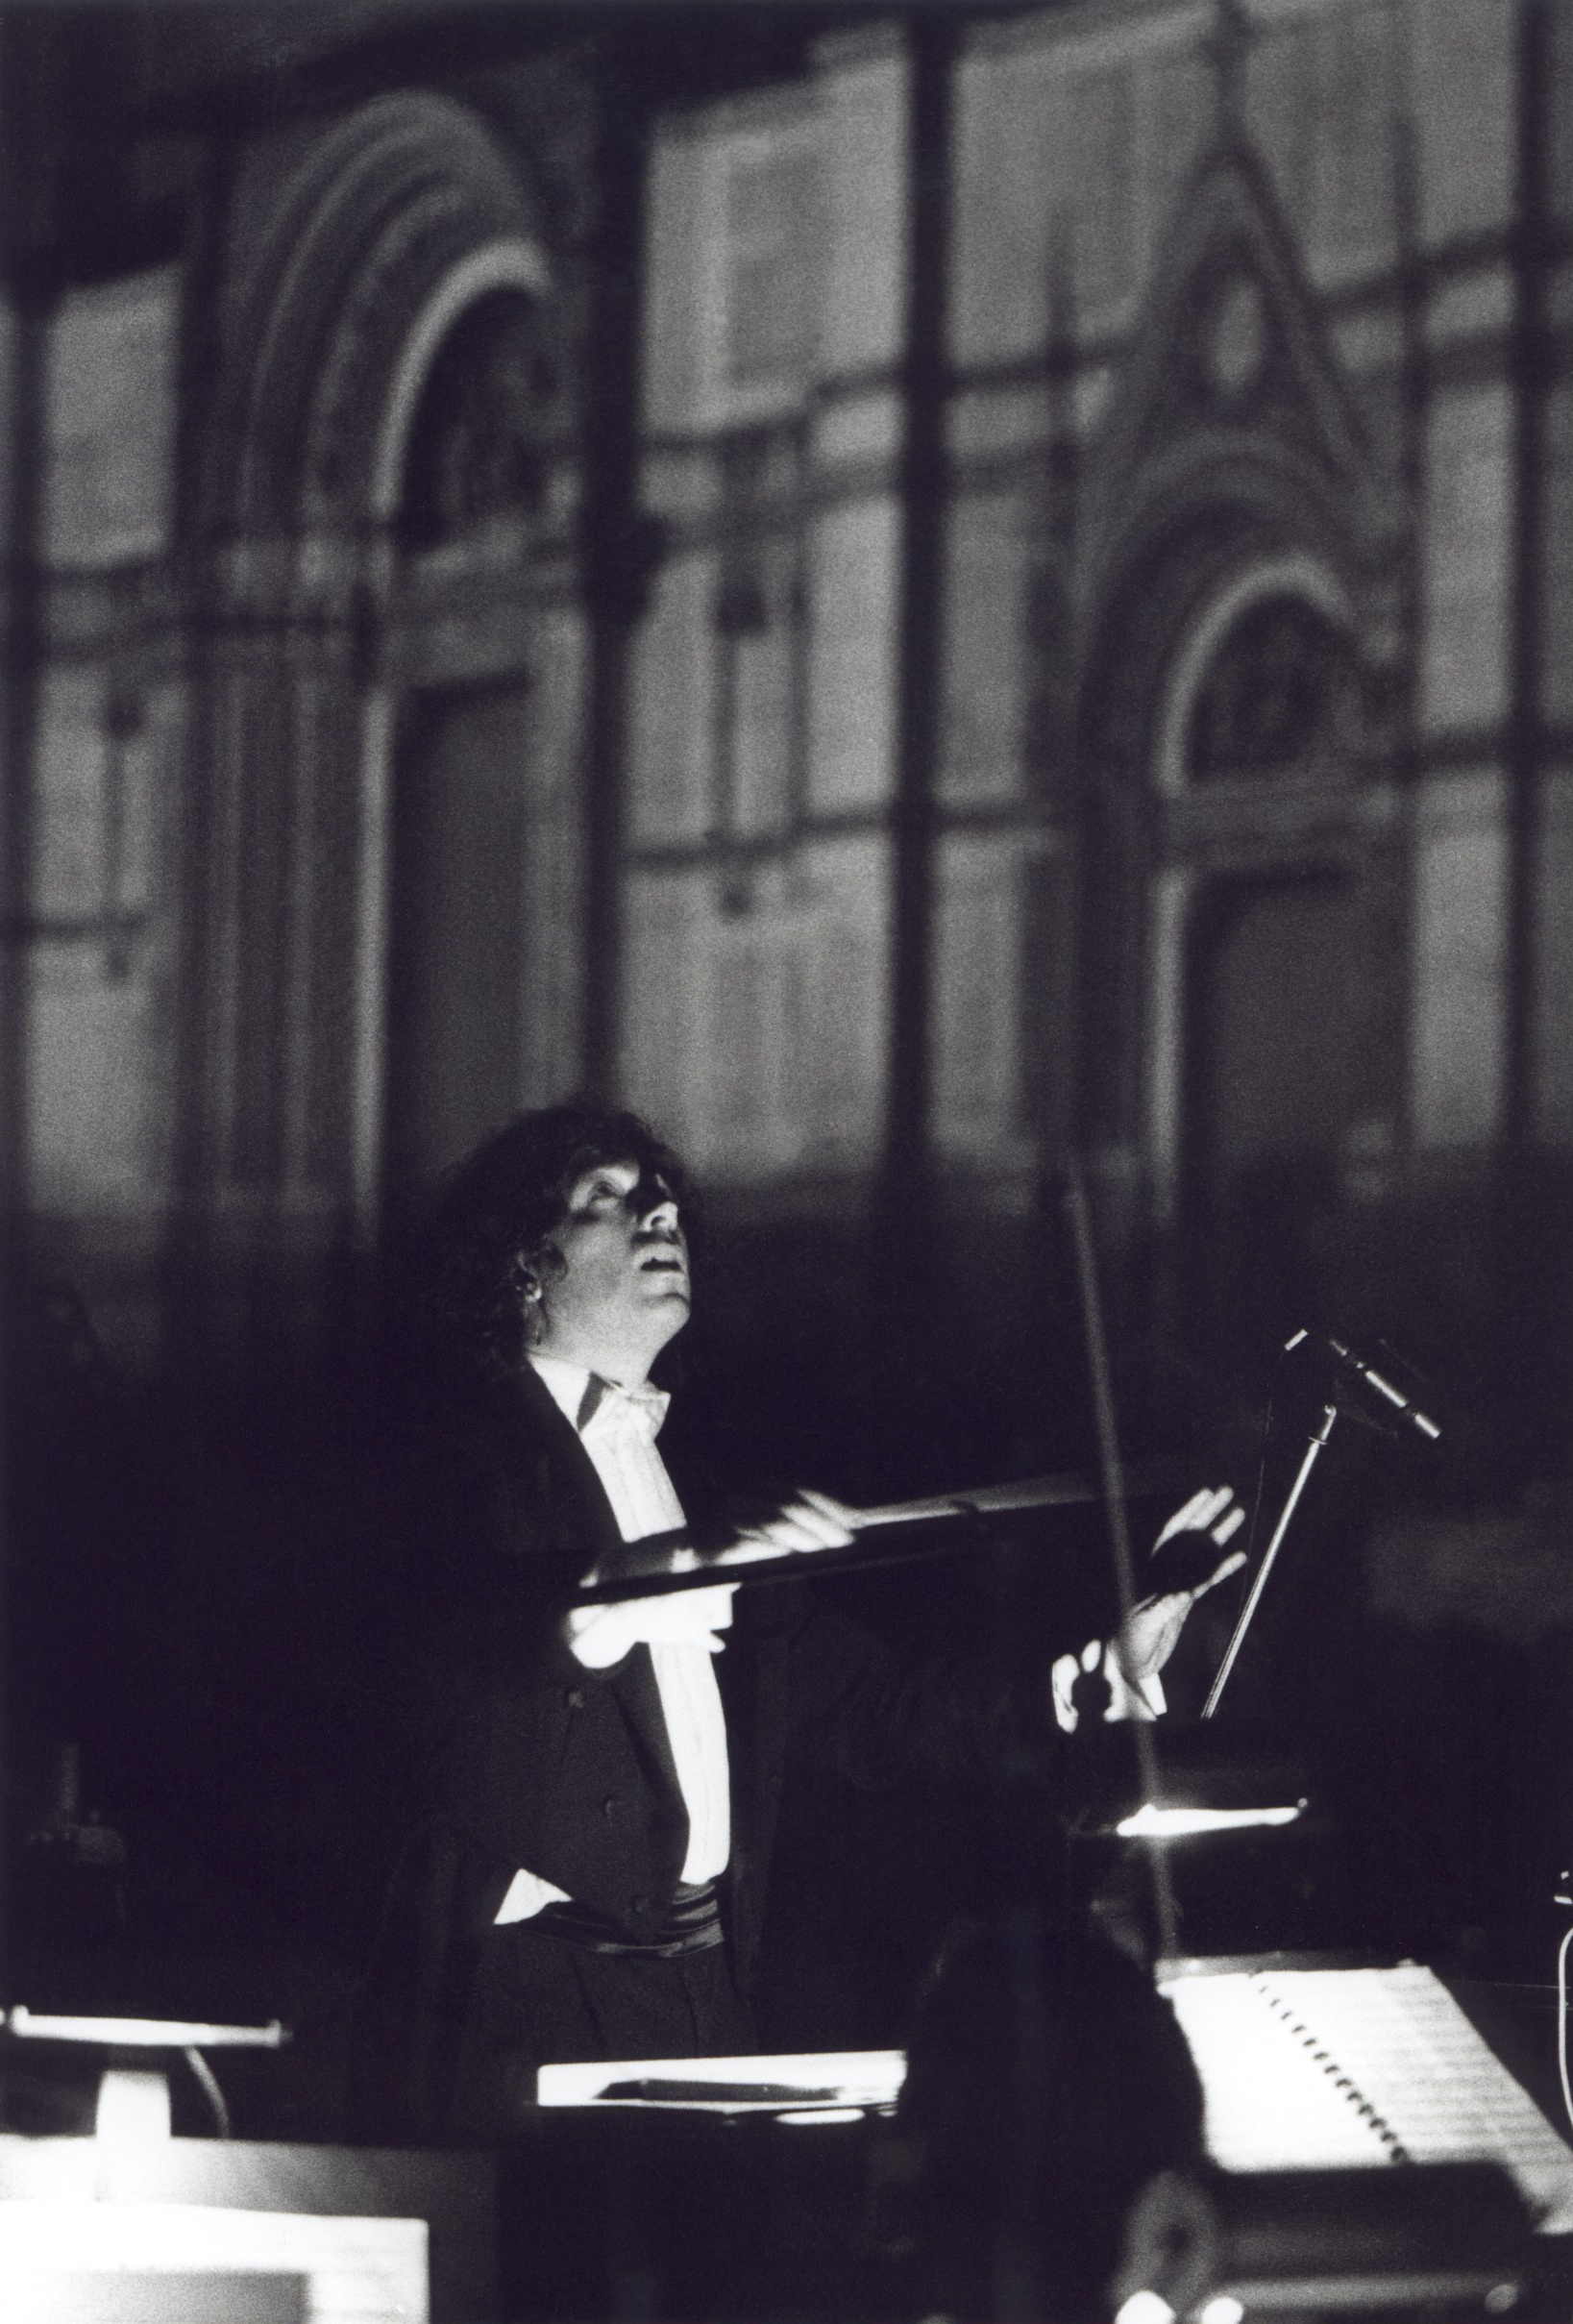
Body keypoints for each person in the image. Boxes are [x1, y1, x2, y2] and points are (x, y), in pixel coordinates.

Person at [348, 1101, 1244, 2142]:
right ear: (522, 1266)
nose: (659, 1217)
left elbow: (873, 1703)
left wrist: (1081, 1675)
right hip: (523, 2013)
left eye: (666, 1200)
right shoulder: (444, 1459)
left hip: (705, 1996)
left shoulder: (692, 1479)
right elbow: (450, 1672)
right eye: (611, 1200)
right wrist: (641, 1580)